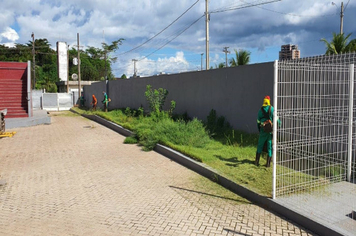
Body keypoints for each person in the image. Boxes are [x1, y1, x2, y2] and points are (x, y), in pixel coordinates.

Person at [255, 95, 279, 167]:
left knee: (260, 145)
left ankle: (256, 162)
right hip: (270, 132)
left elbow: (258, 121)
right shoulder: (272, 109)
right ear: (269, 101)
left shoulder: (260, 110)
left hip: (263, 131)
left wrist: (259, 129)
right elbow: (277, 119)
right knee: (269, 146)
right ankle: (268, 164)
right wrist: (277, 125)